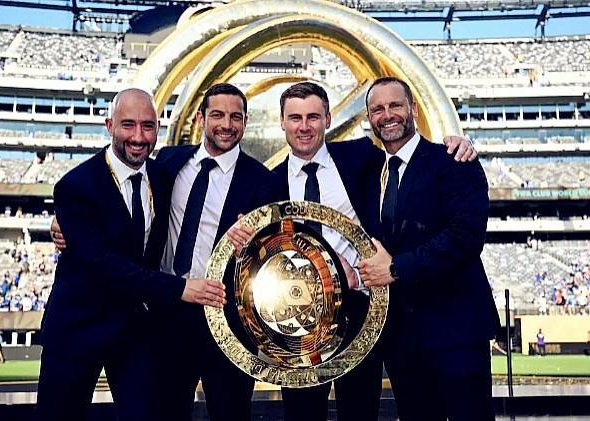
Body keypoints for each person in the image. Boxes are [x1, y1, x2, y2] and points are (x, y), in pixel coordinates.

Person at [228, 81, 476, 421]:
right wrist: (241, 239)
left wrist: (458, 143)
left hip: (364, 314)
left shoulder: (362, 158)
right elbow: (257, 252)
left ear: (328, 119)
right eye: (295, 118)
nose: (304, 126)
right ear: (282, 122)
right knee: (302, 415)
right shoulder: (266, 185)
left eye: (313, 117)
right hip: (299, 323)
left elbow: (413, 156)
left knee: (360, 412)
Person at [38, 88, 226, 421]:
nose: (138, 137)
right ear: (109, 125)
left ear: (158, 128)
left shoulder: (164, 174)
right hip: (77, 329)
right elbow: (103, 265)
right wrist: (181, 288)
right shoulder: (76, 185)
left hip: (134, 332)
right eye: (128, 125)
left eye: (147, 126)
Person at [359, 77, 499, 421]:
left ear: (413, 109)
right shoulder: (368, 172)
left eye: (395, 105)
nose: (387, 115)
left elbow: (465, 237)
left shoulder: (453, 160)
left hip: (456, 333)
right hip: (402, 341)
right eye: (377, 109)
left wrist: (396, 269)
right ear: (369, 118)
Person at [151, 83, 283, 421]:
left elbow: (274, 258)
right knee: (165, 412)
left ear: (245, 122)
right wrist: (66, 219)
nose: (227, 124)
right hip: (168, 311)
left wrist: (253, 245)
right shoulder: (168, 162)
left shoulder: (263, 181)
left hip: (227, 322)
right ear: (201, 118)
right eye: (218, 115)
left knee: (231, 413)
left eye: (236, 117)